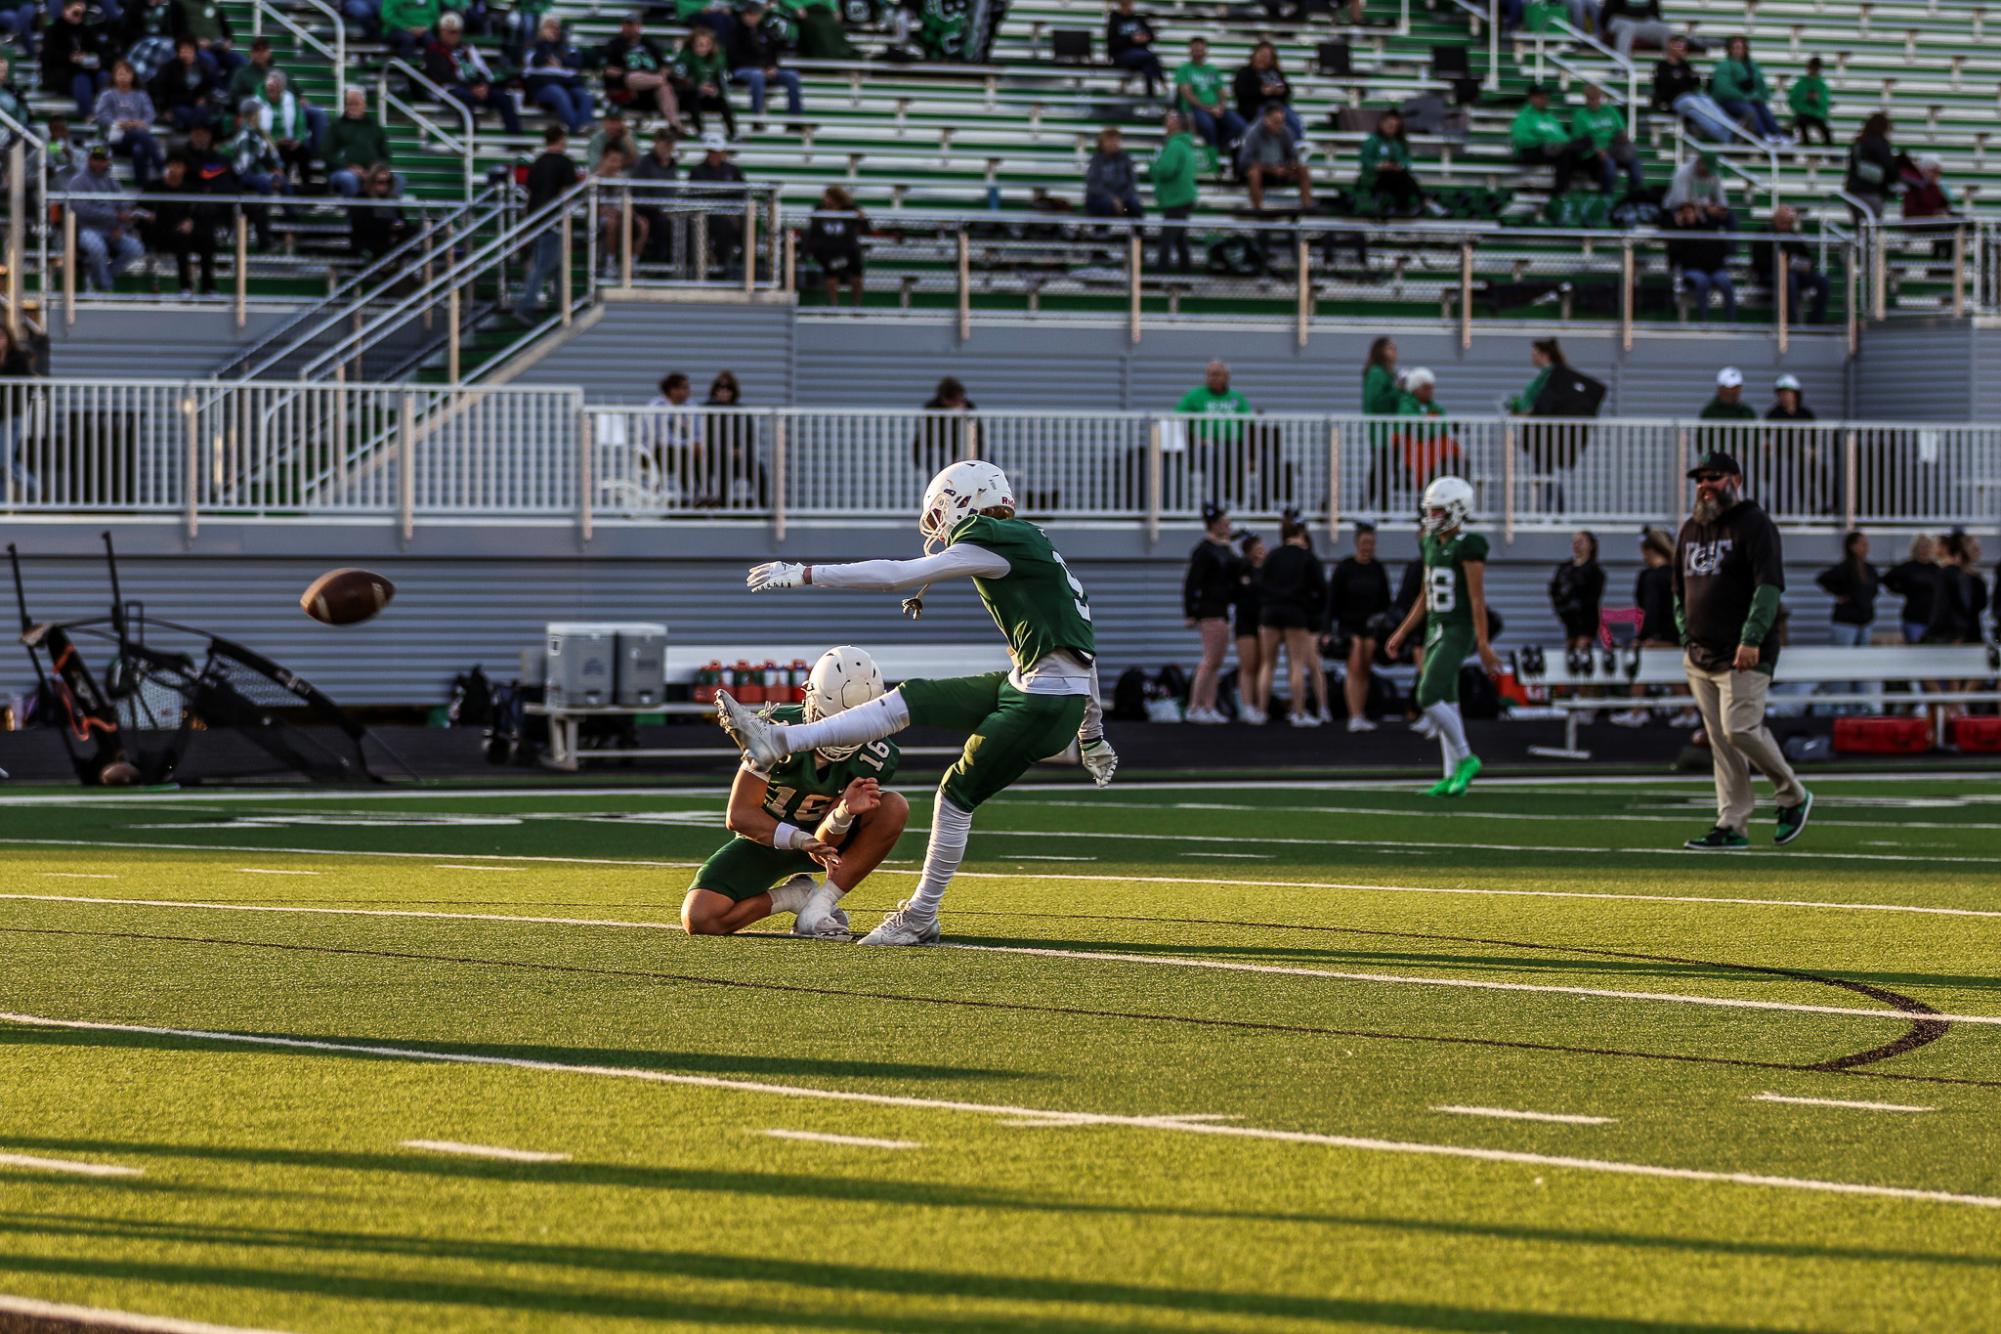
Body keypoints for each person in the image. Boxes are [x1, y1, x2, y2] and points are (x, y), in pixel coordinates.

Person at [717, 460, 1117, 946]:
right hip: (1036, 685)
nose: (938, 526)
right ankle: (779, 739)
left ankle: (919, 915)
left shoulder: (990, 535)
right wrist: (1091, 733)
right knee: (915, 696)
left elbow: (897, 575)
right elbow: (1084, 648)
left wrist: (807, 573)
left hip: (1045, 702)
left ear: (962, 500)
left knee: (954, 795)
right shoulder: (1032, 545)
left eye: (939, 512)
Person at [683, 646, 909, 936]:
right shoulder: (775, 731)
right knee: (701, 919)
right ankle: (795, 896)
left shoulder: (875, 754)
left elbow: (825, 842)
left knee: (893, 807)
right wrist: (798, 839)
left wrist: (843, 812)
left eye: (854, 727)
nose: (842, 735)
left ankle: (821, 904)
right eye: (831, 720)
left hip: (822, 843)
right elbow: (739, 815)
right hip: (764, 841)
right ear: (808, 697)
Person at [1673, 450, 1811, 849]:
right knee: (1720, 740)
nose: (1704, 486)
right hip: (1701, 656)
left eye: (1713, 478)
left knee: (1740, 729)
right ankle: (1732, 824)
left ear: (1735, 479)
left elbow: (1769, 587)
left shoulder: (1755, 524)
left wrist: (1751, 638)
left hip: (1743, 652)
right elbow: (1679, 593)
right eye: (1699, 479)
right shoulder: (1690, 529)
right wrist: (1686, 637)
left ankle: (1793, 795)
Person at [1384, 475, 1501, 797]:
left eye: (1438, 511)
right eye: (1431, 511)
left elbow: (1477, 599)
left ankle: (1466, 758)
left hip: (1458, 628)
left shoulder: (1469, 545)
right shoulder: (1431, 543)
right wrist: (1403, 631)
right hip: (1435, 626)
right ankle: (1452, 778)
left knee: (1427, 695)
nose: (1432, 517)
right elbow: (1425, 594)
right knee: (1449, 701)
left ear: (1457, 509)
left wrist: (1483, 643)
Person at [1256, 516, 1328, 728]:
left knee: (1267, 663)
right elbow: (1322, 589)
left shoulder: (1272, 556)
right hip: (1296, 612)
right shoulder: (1307, 558)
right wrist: (1312, 610)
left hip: (1270, 612)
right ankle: (1298, 711)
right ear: (1301, 533)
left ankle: (1261, 711)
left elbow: (1259, 584)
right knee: (1296, 663)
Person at [1609, 527, 1683, 726]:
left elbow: (1650, 609)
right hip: (1679, 632)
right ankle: (1689, 710)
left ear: (1649, 551)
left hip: (1662, 634)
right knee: (1671, 670)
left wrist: (1643, 637)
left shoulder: (1652, 576)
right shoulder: (1678, 574)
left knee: (1641, 663)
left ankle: (1637, 710)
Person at [1328, 522, 1391, 732]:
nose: (1368, 547)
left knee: (1365, 669)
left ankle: (1361, 712)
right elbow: (1333, 601)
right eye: (1364, 543)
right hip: (1350, 625)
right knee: (1354, 669)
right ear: (1356, 544)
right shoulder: (1345, 568)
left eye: (1371, 543)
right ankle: (1353, 714)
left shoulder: (1377, 568)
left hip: (1370, 627)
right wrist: (1328, 629)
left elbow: (1385, 600)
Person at [1183, 503, 1241, 724]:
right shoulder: (1204, 550)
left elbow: (1234, 573)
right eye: (1225, 524)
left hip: (1223, 608)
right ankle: (1194, 706)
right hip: (1209, 609)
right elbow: (1192, 583)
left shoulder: (1224, 549)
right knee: (1209, 659)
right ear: (1215, 525)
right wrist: (1190, 610)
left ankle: (1209, 705)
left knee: (1217, 660)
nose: (1228, 527)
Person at [514, 124, 578, 321]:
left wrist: (526, 223)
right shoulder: (565, 162)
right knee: (543, 265)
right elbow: (567, 193)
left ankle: (562, 304)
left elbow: (529, 195)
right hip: (554, 219)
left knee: (557, 263)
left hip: (536, 217)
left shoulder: (538, 162)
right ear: (561, 139)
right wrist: (567, 219)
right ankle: (526, 305)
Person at [426, 13, 522, 135]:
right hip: (446, 89)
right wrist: (471, 88)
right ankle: (471, 139)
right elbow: (444, 76)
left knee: (504, 97)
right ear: (440, 31)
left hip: (472, 87)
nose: (452, 35)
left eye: (456, 32)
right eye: (448, 31)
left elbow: (482, 70)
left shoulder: (467, 48)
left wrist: (483, 85)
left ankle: (515, 139)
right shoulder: (433, 50)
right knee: (465, 97)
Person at [1815, 531, 1878, 712]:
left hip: (1864, 622)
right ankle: (1839, 702)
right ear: (1852, 546)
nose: (1866, 548)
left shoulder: (1869, 569)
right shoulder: (1845, 568)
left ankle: (1860, 703)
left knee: (1861, 663)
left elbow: (1874, 589)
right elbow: (1823, 578)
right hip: (1846, 623)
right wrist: (1840, 595)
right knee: (1841, 662)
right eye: (1862, 544)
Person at [67, 148, 144, 291]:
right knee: (97, 248)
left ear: (108, 161)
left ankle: (100, 277)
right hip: (86, 229)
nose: (98, 163)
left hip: (112, 230)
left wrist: (121, 227)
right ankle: (105, 287)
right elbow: (81, 210)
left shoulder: (113, 182)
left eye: (102, 159)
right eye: (95, 159)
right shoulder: (78, 181)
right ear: (89, 159)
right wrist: (114, 216)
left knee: (135, 249)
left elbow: (124, 206)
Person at [140, 153, 215, 293]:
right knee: (182, 239)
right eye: (172, 165)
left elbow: (199, 213)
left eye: (178, 166)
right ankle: (185, 287)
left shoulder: (191, 190)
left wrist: (191, 222)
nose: (175, 169)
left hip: (185, 234)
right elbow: (140, 210)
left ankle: (208, 287)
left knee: (207, 240)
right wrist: (149, 217)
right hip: (160, 234)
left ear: (184, 169)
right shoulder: (153, 187)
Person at [601, 12, 681, 131]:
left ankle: (674, 124)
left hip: (651, 85)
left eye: (633, 25)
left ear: (639, 27)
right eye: (627, 25)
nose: (630, 28)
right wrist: (623, 73)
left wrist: (661, 75)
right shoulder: (615, 44)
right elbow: (607, 69)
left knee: (664, 88)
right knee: (636, 77)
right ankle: (660, 81)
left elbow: (664, 65)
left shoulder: (648, 43)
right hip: (628, 83)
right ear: (622, 26)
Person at [726, 3, 803, 124]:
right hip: (741, 70)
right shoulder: (734, 31)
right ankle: (757, 118)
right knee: (757, 75)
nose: (752, 17)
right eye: (749, 14)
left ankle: (796, 119)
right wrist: (760, 68)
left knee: (791, 76)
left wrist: (772, 67)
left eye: (755, 14)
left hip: (764, 70)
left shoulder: (765, 31)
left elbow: (772, 53)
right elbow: (733, 57)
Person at [1652, 33, 1733, 143]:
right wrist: (1683, 80)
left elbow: (1693, 81)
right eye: (1679, 45)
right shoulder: (1662, 66)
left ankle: (1734, 128)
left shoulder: (1685, 65)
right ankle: (1726, 137)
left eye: (1683, 46)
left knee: (1707, 100)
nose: (1683, 48)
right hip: (1675, 101)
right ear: (1670, 46)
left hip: (1690, 96)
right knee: (1694, 105)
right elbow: (1666, 86)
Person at [1510, 83, 1591, 193]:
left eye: (1546, 96)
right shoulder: (1524, 116)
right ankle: (1560, 192)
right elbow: (1521, 139)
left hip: (1556, 149)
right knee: (1566, 154)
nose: (1545, 99)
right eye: (1541, 96)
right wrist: (1544, 141)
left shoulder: (1550, 117)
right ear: (1531, 98)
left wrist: (1562, 143)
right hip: (1533, 150)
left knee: (1583, 144)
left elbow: (1562, 136)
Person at [1754, 205, 1828, 325]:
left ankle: (1816, 322)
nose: (1786, 226)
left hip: (1795, 273)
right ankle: (1791, 322)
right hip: (1770, 274)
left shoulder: (1793, 235)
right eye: (1783, 222)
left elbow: (1808, 257)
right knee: (1789, 279)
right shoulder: (1764, 234)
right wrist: (1782, 266)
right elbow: (1759, 263)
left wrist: (1807, 266)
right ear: (1775, 219)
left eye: (1789, 223)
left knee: (1822, 281)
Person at [94, 60, 162, 187]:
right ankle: (161, 166)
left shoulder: (141, 95)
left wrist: (139, 123)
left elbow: (150, 115)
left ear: (132, 75)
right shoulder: (107, 94)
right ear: (114, 76)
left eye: (126, 73)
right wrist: (118, 123)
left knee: (139, 150)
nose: (123, 76)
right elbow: (101, 115)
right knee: (140, 136)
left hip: (138, 138)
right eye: (120, 73)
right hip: (116, 137)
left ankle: (141, 187)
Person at [1665, 201, 1735, 324]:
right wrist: (1678, 226)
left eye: (1691, 212)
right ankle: (1704, 321)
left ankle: (1731, 322)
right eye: (1685, 213)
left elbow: (1723, 243)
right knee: (1702, 282)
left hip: (1714, 269)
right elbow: (1673, 253)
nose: (1689, 215)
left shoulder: (1707, 226)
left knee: (1726, 283)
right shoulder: (1678, 232)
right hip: (1692, 270)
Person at [523, 16, 596, 135]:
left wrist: (560, 61)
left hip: (567, 85)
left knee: (585, 95)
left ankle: (584, 126)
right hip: (542, 88)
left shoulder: (566, 47)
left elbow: (577, 62)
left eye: (556, 28)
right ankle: (576, 130)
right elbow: (536, 61)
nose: (554, 31)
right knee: (558, 92)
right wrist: (545, 43)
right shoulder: (533, 46)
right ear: (541, 30)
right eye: (549, 27)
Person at [1173, 38, 1243, 158]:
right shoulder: (1184, 69)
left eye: (1201, 49)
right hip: (1195, 108)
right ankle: (1214, 153)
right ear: (1190, 51)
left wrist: (1220, 106)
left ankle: (1220, 147)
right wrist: (1209, 109)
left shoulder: (1212, 69)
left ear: (1206, 51)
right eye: (1195, 49)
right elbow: (1188, 94)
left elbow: (1221, 92)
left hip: (1215, 107)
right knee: (1207, 125)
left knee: (1239, 125)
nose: (1198, 52)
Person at [1568, 83, 1643, 195]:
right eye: (1591, 98)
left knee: (1635, 162)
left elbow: (1621, 129)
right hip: (1592, 153)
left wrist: (1623, 137)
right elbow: (1579, 140)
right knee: (1609, 163)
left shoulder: (1610, 110)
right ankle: (1607, 196)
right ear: (1586, 99)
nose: (1594, 101)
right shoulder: (1580, 115)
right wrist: (1597, 150)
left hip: (1614, 148)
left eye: (1596, 98)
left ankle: (1634, 196)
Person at [1711, 35, 1787, 144]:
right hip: (1729, 101)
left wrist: (1760, 96)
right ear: (1729, 49)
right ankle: (1762, 135)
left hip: (1747, 99)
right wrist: (1744, 96)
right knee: (1750, 110)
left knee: (1762, 107)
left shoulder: (1751, 65)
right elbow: (1724, 89)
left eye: (1741, 48)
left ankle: (1776, 134)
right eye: (1735, 48)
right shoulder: (1724, 66)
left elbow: (1760, 84)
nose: (1738, 51)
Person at [1239, 102, 1312, 210]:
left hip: (1281, 168)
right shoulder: (1253, 133)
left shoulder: (1286, 132)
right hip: (1263, 171)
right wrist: (1271, 169)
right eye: (1276, 122)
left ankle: (1306, 204)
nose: (1279, 125)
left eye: (1281, 122)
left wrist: (1289, 166)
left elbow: (1292, 156)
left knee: (1302, 169)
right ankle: (1257, 207)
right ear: (1266, 119)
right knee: (1253, 173)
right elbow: (1244, 161)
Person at [42, 0, 108, 118]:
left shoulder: (87, 30)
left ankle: (109, 113)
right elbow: (49, 57)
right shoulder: (53, 31)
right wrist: (70, 58)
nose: (79, 17)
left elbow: (100, 51)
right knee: (81, 79)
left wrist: (95, 60)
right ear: (65, 11)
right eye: (76, 13)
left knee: (104, 76)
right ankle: (88, 115)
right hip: (65, 74)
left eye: (82, 14)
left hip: (90, 71)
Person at [1150, 109, 1198, 273]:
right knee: (1179, 239)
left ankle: (1159, 276)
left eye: (1170, 119)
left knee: (1167, 240)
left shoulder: (1175, 144)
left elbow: (1166, 170)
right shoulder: (1183, 143)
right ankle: (1186, 275)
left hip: (1177, 199)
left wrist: (1153, 167)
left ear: (1177, 123)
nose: (1166, 121)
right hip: (1182, 198)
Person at [803, 184, 866, 306]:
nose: (826, 199)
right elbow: (813, 230)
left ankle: (856, 305)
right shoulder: (819, 209)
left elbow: (865, 226)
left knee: (857, 273)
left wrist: (861, 217)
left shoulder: (850, 209)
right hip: (829, 250)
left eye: (828, 197)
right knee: (831, 274)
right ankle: (833, 304)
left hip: (848, 249)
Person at [671, 26, 735, 139]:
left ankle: (733, 132)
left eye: (706, 45)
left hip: (708, 95)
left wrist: (716, 89)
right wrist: (697, 87)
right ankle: (700, 131)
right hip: (688, 96)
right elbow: (678, 79)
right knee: (692, 98)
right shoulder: (685, 56)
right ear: (692, 43)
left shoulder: (717, 57)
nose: (702, 48)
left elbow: (723, 79)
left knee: (722, 102)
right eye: (699, 44)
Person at [328, 89, 394, 198]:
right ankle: (355, 214)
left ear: (364, 105)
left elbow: (386, 155)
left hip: (373, 172)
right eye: (349, 104)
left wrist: (376, 170)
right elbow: (327, 153)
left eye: (356, 104)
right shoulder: (336, 126)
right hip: (343, 171)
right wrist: (349, 167)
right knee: (348, 178)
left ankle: (384, 213)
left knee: (398, 179)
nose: (352, 107)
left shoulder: (374, 126)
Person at [1233, 42, 1304, 143]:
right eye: (1261, 55)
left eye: (1267, 57)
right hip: (1255, 107)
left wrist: (1280, 91)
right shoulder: (1245, 72)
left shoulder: (1275, 72)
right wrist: (1261, 91)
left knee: (1293, 120)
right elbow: (1240, 92)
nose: (1263, 59)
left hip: (1278, 105)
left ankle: (1294, 143)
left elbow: (1287, 90)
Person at [1549, 530, 1605, 653]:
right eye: (1574, 542)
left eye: (1580, 542)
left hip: (1586, 619)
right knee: (1570, 648)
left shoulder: (1594, 570)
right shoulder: (1565, 568)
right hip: (1569, 618)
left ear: (1591, 545)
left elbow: (1593, 596)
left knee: (1582, 649)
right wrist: (1561, 605)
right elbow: (1554, 589)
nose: (1576, 545)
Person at [1357, 107, 1420, 214]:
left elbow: (1406, 160)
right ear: (1382, 123)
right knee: (1401, 178)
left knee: (1400, 177)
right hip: (1376, 176)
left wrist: (1399, 166)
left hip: (1396, 176)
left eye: (1395, 127)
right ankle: (1421, 201)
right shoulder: (1372, 141)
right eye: (1389, 125)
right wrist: (1379, 165)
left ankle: (1403, 206)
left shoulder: (1399, 142)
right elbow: (1365, 161)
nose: (1391, 128)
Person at [1232, 532, 1267, 724]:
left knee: (1262, 663)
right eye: (1258, 550)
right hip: (1245, 621)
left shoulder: (1267, 571)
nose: (1262, 553)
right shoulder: (1243, 568)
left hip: (1262, 621)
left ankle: (1259, 704)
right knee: (1248, 665)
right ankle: (1246, 706)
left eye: (1263, 549)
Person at [1362, 336, 1399, 509]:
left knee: (1383, 471)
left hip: (1387, 432)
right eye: (1390, 348)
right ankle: (1372, 508)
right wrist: (1397, 390)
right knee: (1380, 471)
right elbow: (1376, 402)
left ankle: (1379, 509)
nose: (1395, 352)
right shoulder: (1377, 373)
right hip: (1381, 431)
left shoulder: (1387, 373)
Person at [148, 37, 217, 131]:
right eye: (183, 50)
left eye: (189, 50)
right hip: (178, 104)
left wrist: (205, 98)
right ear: (178, 52)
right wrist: (165, 110)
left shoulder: (204, 66)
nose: (186, 53)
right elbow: (160, 89)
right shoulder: (169, 68)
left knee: (202, 113)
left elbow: (211, 87)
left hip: (198, 104)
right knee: (185, 115)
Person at [912, 376, 976, 477]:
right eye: (954, 400)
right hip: (931, 450)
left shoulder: (968, 407)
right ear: (944, 398)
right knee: (938, 458)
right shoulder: (932, 408)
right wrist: (952, 416)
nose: (957, 402)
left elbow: (977, 433)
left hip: (959, 450)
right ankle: (939, 490)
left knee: (985, 456)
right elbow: (932, 437)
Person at [1844, 113, 1902, 221]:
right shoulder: (1880, 143)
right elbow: (1889, 167)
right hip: (1871, 192)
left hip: (1852, 191)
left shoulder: (1859, 142)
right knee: (1872, 227)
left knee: (1860, 227)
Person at [1104, 0, 1163, 98]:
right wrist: (1132, 39)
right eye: (1125, 4)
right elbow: (1113, 42)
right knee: (1150, 58)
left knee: (1148, 64)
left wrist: (1145, 37)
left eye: (1129, 4)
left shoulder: (1138, 18)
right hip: (1122, 54)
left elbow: (1151, 35)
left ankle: (1150, 96)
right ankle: (1161, 85)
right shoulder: (1115, 20)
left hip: (1140, 56)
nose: (1128, 7)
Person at [349, 163, 410, 258]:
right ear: (371, 182)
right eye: (380, 182)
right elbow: (361, 224)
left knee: (412, 231)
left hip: (391, 240)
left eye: (388, 182)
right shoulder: (362, 197)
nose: (385, 185)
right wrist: (389, 225)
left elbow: (402, 219)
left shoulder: (392, 199)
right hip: (369, 241)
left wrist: (399, 224)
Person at [1084, 126, 1143, 219]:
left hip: (1123, 204)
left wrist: (1121, 198)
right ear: (1102, 143)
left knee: (1134, 204)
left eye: (1115, 140)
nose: (1113, 143)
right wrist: (1112, 199)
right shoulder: (1096, 159)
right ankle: (1101, 231)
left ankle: (1138, 232)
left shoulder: (1125, 158)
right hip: (1101, 201)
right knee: (1104, 204)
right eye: (1110, 140)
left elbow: (1132, 181)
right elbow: (1094, 185)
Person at [1662, 150, 1729, 220]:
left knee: (1728, 217)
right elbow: (1681, 200)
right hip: (1675, 207)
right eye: (1706, 170)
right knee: (1689, 216)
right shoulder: (1682, 172)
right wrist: (1706, 208)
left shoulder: (1715, 174)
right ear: (1700, 163)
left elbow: (1721, 198)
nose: (1708, 173)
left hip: (1702, 208)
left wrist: (1720, 208)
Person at [1600, 0, 1670, 59]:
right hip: (1620, 19)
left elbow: (1655, 13)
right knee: (1627, 27)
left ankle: (1672, 67)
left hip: (1642, 21)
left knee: (1665, 29)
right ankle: (1621, 67)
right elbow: (1607, 13)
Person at [1787, 56, 1831, 146]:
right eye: (1813, 68)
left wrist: (1817, 100)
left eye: (1816, 68)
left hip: (1817, 115)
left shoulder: (1821, 85)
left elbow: (1824, 104)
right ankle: (1808, 149)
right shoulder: (1801, 84)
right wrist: (1805, 98)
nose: (1814, 71)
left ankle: (1831, 153)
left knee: (1826, 131)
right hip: (1804, 114)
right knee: (1802, 124)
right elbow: (1793, 100)